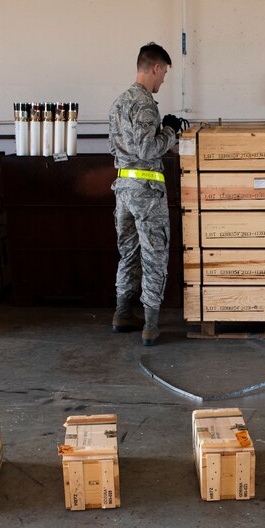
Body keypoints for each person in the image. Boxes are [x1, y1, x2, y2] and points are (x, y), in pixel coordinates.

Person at [107, 42, 187, 346]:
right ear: (154, 67)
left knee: (128, 253)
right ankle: (151, 326)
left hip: (123, 189)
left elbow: (116, 148)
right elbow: (147, 148)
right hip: (147, 192)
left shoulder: (118, 103)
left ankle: (122, 313)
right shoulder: (143, 103)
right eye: (164, 72)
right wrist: (169, 131)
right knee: (154, 255)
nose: (163, 79)